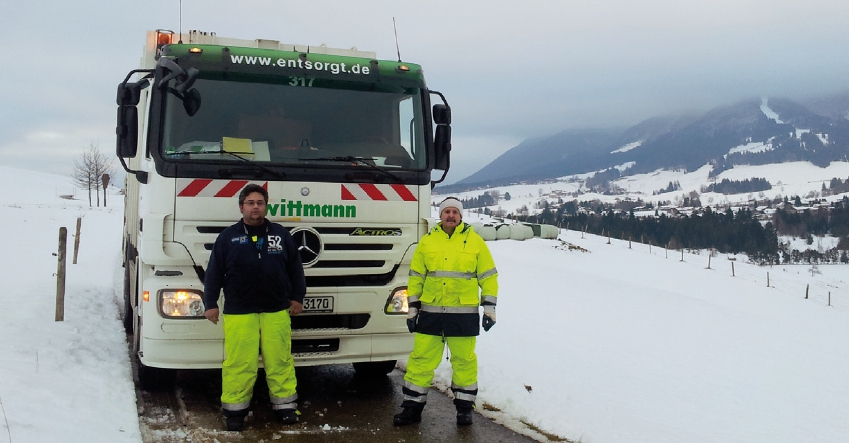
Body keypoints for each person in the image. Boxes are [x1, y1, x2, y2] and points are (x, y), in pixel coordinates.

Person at [203, 183, 306, 432]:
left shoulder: (281, 235)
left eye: (259, 203)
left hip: (276, 309)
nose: (255, 207)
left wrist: (297, 298)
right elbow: (214, 273)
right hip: (240, 310)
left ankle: (285, 407)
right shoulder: (227, 237)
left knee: (279, 359)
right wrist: (210, 304)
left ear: (265, 206)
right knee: (239, 363)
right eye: (250, 203)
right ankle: (235, 412)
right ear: (241, 207)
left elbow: (295, 269)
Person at [393, 197, 499, 426]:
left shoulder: (475, 242)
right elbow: (416, 278)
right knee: (420, 361)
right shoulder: (427, 242)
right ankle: (411, 410)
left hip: (463, 316)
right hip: (430, 315)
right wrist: (412, 310)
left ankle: (464, 410)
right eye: (446, 211)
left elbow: (489, 276)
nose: (451, 215)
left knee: (464, 362)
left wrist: (489, 309)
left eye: (455, 212)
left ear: (461, 216)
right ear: (440, 215)